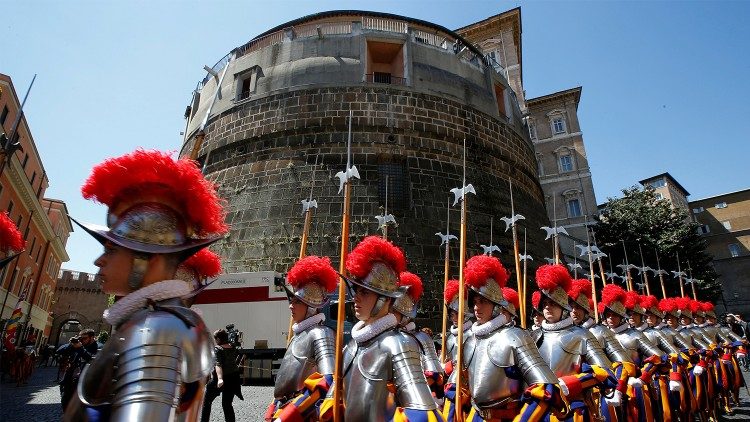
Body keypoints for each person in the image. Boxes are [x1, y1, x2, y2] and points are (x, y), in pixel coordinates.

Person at [63, 149, 228, 421]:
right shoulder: (169, 321)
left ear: (145, 260)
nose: (99, 261)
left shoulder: (156, 329)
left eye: (111, 250)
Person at [319, 236, 440, 421]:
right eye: (356, 291)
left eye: (364, 292)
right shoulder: (350, 347)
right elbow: (332, 401)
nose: (356, 298)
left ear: (385, 299)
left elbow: (423, 413)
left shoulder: (399, 344)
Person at [461, 255, 562, 421]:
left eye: (483, 302)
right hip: (476, 416)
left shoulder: (514, 336)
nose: (477, 307)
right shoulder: (470, 340)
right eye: (475, 302)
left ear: (495, 306)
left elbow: (545, 387)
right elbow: (462, 382)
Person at [533, 264, 620, 421]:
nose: (547, 308)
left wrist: (572, 382)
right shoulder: (534, 336)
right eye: (545, 304)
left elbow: (605, 372)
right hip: (538, 409)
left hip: (573, 408)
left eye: (553, 303)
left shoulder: (581, 335)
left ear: (563, 306)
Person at [266, 255, 337, 421]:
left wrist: (292, 413)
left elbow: (328, 382)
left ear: (311, 307)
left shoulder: (320, 334)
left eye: (297, 301)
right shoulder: (297, 335)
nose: (291, 305)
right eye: (291, 300)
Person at [392, 271, 444, 402]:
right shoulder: (387, 337)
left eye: (395, 311)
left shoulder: (422, 338)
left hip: (416, 399)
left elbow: (434, 374)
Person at [201, 329, 242, 422]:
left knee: (207, 402)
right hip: (233, 378)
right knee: (227, 404)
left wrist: (220, 379)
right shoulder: (232, 346)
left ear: (218, 339)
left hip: (221, 379)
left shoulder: (218, 349)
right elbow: (235, 342)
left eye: (215, 339)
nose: (215, 341)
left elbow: (218, 365)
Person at [58, 329, 99, 411]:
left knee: (81, 410)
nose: (82, 340)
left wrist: (80, 348)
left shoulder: (98, 347)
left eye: (85, 338)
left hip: (85, 384)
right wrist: (71, 344)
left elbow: (92, 360)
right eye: (81, 338)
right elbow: (59, 350)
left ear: (92, 337)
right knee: (65, 405)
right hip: (70, 383)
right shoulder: (77, 345)